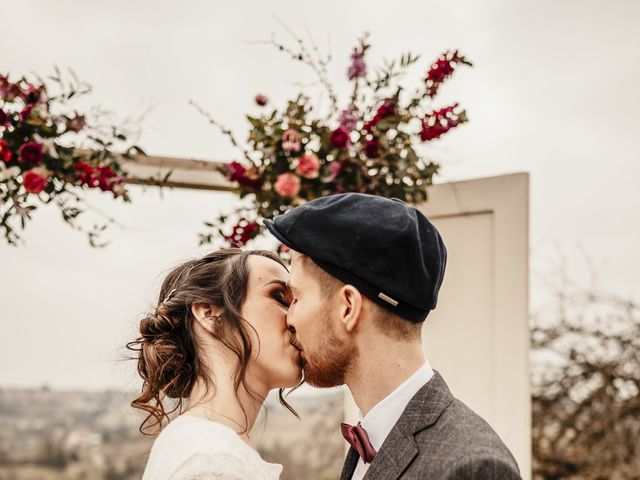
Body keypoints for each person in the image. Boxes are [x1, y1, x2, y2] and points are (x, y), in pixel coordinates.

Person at [264, 193, 522, 480]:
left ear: (347, 308)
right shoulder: (375, 437)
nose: (290, 318)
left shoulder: (474, 468)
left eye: (297, 297)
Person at [127, 248, 301, 480]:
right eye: (280, 297)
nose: (295, 318)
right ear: (209, 313)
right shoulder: (210, 462)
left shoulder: (205, 447)